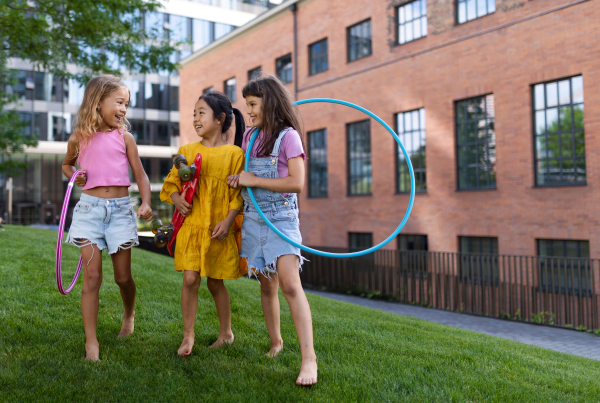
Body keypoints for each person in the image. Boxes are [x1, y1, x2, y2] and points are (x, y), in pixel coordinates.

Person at [227, 75, 318, 386]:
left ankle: (309, 360)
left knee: (290, 286)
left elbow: (297, 183)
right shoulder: (249, 136)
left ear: (269, 102)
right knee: (267, 286)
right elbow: (246, 181)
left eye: (252, 104)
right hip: (254, 217)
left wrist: (253, 179)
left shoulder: (289, 136)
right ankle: (276, 343)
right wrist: (240, 181)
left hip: (281, 220)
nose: (248, 111)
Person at [62, 74, 153, 361]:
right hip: (89, 211)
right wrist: (74, 176)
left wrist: (147, 202)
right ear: (98, 102)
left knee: (123, 277)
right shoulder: (79, 137)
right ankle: (92, 343)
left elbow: (140, 174)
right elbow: (66, 164)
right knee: (92, 277)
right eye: (119, 102)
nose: (124, 109)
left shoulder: (125, 138)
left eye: (127, 104)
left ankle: (129, 313)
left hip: (120, 211)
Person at [160, 91, 246, 356]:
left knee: (215, 282)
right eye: (193, 114)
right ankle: (188, 336)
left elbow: (238, 196)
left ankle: (226, 333)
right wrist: (177, 199)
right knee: (190, 279)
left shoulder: (234, 155)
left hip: (218, 229)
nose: (195, 118)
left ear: (220, 119)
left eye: (201, 113)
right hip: (192, 226)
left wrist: (229, 221)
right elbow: (171, 183)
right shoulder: (186, 151)